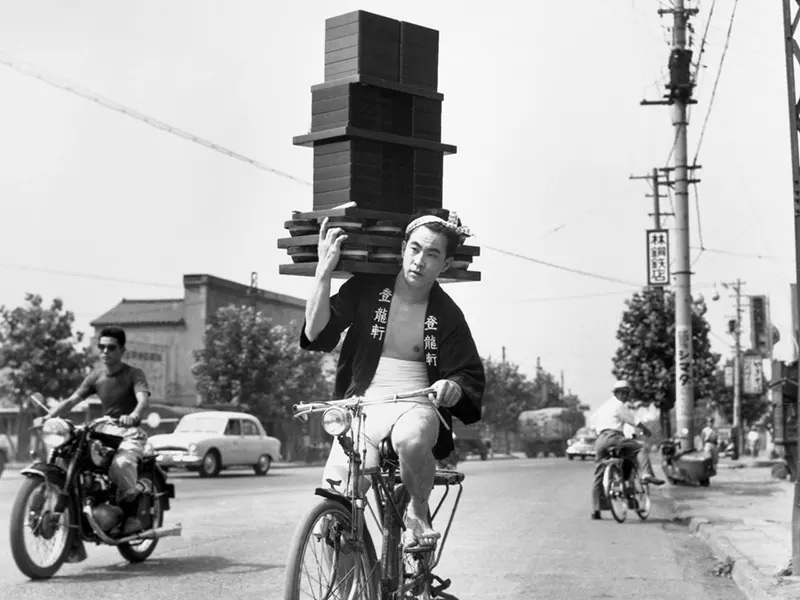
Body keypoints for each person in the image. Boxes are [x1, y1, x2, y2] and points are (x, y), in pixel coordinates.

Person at [301, 209, 485, 547]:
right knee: (336, 508)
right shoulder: (367, 290)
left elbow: (467, 372)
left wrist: (453, 387)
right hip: (363, 403)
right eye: (415, 249)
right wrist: (324, 271)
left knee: (410, 440)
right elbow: (316, 333)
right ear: (403, 248)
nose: (420, 261)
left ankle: (418, 509)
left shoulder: (446, 313)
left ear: (444, 265)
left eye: (432, 254)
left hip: (416, 402)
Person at [40, 326, 150, 535]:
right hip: (103, 428)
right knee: (68, 448)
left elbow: (142, 400)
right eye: (101, 347)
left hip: (128, 431)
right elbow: (72, 400)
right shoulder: (96, 376)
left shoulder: (134, 374)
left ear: (122, 350)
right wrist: (49, 417)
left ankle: (133, 514)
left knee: (122, 464)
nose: (105, 352)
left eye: (111, 347)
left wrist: (134, 415)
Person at [589, 380, 664, 520]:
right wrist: (646, 430)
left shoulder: (603, 407)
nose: (626, 396)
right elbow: (634, 420)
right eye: (624, 393)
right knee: (640, 449)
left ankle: (595, 510)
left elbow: (593, 423)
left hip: (600, 441)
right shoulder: (618, 406)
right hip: (614, 438)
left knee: (598, 475)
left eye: (626, 393)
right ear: (619, 393)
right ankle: (646, 474)